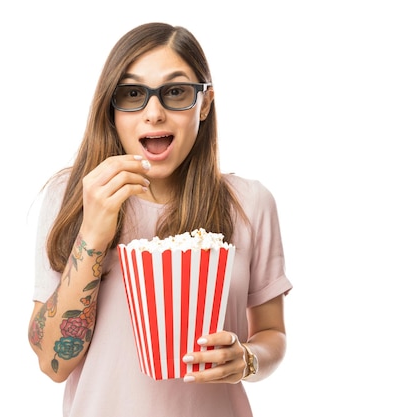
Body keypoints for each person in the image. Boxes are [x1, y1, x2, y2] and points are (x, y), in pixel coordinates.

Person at [28, 22, 292, 417]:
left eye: (175, 92)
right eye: (133, 94)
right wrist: (94, 231)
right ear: (111, 108)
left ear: (204, 103)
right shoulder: (71, 196)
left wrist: (247, 358)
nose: (154, 113)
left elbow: (272, 335)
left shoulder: (250, 204)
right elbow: (52, 361)